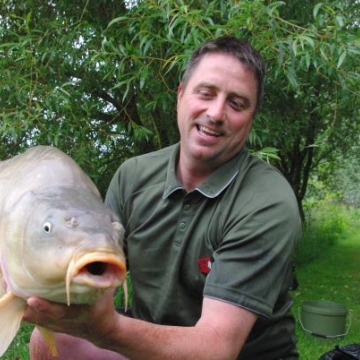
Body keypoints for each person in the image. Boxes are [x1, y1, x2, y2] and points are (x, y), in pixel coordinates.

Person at [24, 35, 301, 360]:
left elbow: (217, 348)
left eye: (236, 103)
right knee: (48, 342)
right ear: (181, 96)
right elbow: (89, 275)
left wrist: (106, 329)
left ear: (251, 119)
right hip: (148, 345)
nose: (216, 113)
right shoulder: (134, 176)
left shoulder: (267, 202)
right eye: (206, 93)